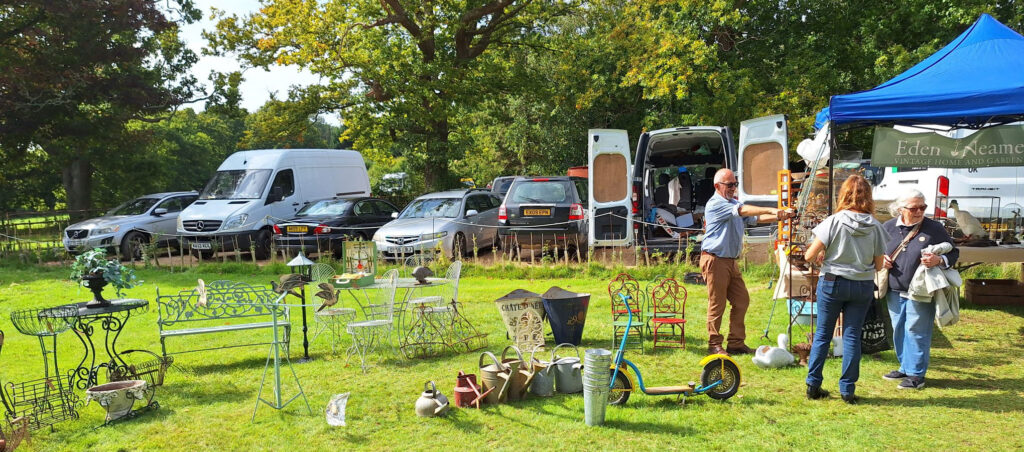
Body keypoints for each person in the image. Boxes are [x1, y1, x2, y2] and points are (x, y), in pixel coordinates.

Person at [803, 175, 888, 404]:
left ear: (843, 195)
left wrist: (824, 257)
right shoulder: (876, 226)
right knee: (852, 336)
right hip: (861, 285)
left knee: (823, 334)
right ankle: (847, 390)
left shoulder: (834, 221)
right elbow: (879, 265)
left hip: (833, 282)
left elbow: (809, 255)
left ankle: (813, 384)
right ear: (868, 197)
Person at [700, 168, 795, 356]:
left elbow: (754, 218)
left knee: (741, 300)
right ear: (717, 186)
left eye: (735, 184)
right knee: (717, 304)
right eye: (729, 185)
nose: (733, 188)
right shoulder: (716, 204)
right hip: (715, 260)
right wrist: (772, 208)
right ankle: (714, 344)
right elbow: (744, 210)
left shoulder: (733, 203)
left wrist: (780, 215)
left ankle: (735, 343)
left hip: (730, 261)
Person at [881, 189, 958, 390]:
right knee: (898, 329)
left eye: (922, 207)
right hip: (894, 288)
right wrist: (881, 260)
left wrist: (939, 260)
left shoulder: (934, 228)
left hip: (922, 290)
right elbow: (876, 252)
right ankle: (905, 367)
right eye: (914, 208)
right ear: (900, 209)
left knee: (916, 330)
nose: (919, 211)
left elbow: (954, 252)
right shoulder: (887, 227)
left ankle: (916, 375)